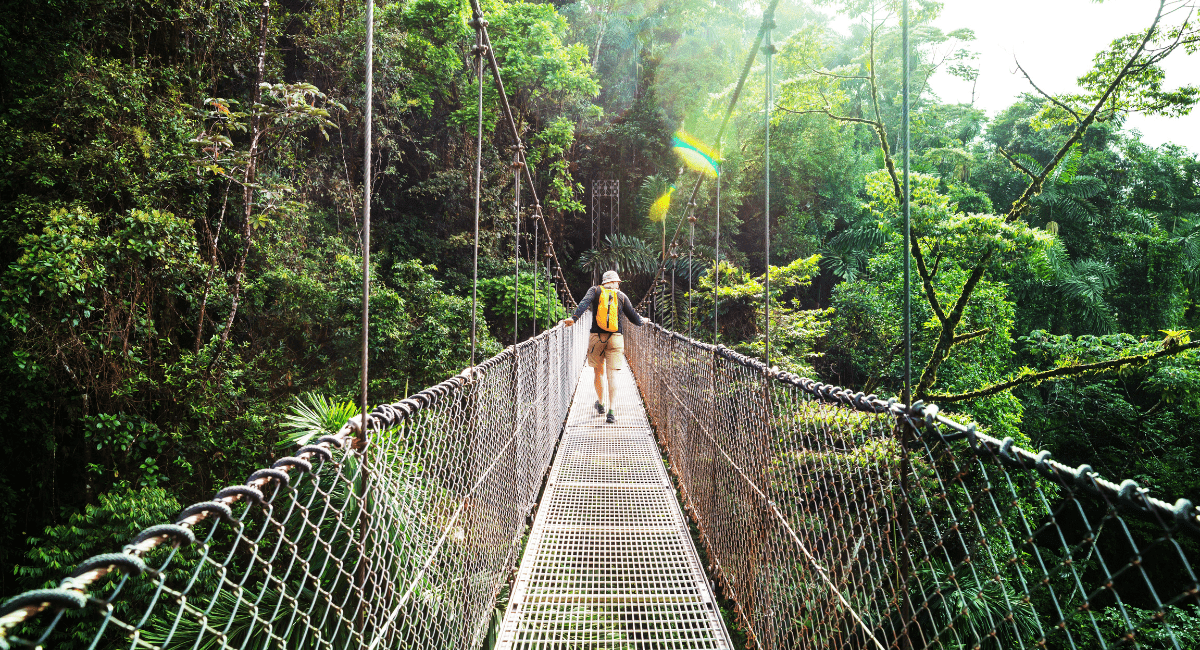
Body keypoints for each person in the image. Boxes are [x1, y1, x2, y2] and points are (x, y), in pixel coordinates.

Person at [563, 270, 648, 423]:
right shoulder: (621, 296)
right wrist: (644, 321)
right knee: (612, 375)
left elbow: (583, 304)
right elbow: (634, 318)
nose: (619, 285)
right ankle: (611, 411)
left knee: (598, 372)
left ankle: (601, 403)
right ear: (613, 282)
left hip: (597, 338)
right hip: (616, 338)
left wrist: (574, 318)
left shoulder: (595, 290)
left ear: (604, 282)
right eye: (618, 282)